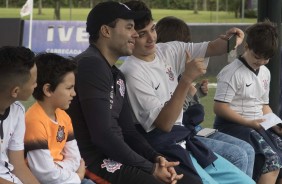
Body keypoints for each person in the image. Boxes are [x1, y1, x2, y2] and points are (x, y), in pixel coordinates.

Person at [120, 1, 255, 183]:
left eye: (152, 29)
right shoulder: (132, 72)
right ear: (129, 36)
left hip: (186, 140)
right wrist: (186, 80)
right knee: (238, 155)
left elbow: (212, 47)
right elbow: (165, 125)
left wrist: (232, 40)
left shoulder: (166, 50)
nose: (151, 38)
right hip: (166, 149)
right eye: (142, 34)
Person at [66, 1, 197, 184]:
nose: (135, 34)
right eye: (129, 28)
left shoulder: (115, 73)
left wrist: (156, 158)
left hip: (113, 156)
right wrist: (150, 168)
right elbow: (103, 136)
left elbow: (128, 131)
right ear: (106, 31)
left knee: (187, 180)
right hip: (90, 163)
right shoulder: (91, 65)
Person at [155, 16, 255, 178]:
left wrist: (197, 92)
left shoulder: (178, 71)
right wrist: (188, 84)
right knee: (239, 154)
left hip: (195, 130)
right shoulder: (160, 72)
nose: (186, 50)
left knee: (248, 150)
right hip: (183, 135)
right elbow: (174, 115)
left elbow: (188, 104)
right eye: (183, 45)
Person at [213, 21, 282, 184]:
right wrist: (248, 122)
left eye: (266, 59)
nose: (261, 62)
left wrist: (276, 124)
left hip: (256, 125)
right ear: (247, 47)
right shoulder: (232, 72)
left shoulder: (265, 72)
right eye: (257, 57)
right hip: (233, 126)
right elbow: (219, 107)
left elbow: (263, 105)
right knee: (271, 161)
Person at [24, 53, 94, 184]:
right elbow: (45, 174)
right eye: (69, 88)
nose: (74, 93)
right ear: (48, 90)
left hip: (65, 178)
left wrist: (59, 168)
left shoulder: (64, 117)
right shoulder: (34, 121)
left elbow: (76, 159)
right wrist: (77, 177)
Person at [0, 46, 39, 184]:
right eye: (34, 82)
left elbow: (18, 166)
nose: (36, 85)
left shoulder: (18, 111)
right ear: (15, 91)